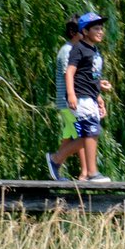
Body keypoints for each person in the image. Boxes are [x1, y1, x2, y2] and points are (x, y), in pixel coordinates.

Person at [64, 12, 114, 182]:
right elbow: (70, 72)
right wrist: (71, 94)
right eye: (96, 29)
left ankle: (56, 159)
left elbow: (88, 75)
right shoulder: (79, 48)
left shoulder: (94, 49)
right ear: (85, 32)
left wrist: (99, 88)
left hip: (90, 96)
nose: (101, 31)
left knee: (87, 134)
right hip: (80, 97)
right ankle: (92, 173)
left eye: (101, 28)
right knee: (91, 131)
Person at [46, 18, 81, 180]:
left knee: (70, 136)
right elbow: (70, 75)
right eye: (83, 30)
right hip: (69, 102)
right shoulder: (68, 51)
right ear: (74, 33)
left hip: (67, 102)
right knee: (84, 136)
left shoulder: (71, 49)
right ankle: (85, 173)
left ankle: (56, 167)